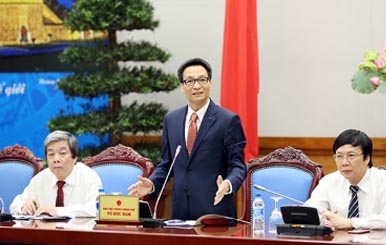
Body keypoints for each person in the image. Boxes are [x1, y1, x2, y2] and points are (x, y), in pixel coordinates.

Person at [128, 58, 247, 220]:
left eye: (202, 80)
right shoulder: (171, 119)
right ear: (182, 87)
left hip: (214, 212)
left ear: (210, 83)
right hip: (180, 213)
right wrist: (152, 183)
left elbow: (238, 166)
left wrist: (228, 184)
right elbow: (166, 164)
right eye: (190, 81)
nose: (197, 86)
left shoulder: (228, 120)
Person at [305, 129, 386, 230]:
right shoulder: (329, 181)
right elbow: (308, 212)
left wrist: (351, 223)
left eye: (351, 156)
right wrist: (323, 217)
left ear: (367, 158)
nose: (344, 162)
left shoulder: (385, 180)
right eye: (339, 156)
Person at [10, 130, 103, 217]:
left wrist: (58, 211)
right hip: (46, 232)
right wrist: (23, 207)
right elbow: (15, 205)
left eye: (62, 153)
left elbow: (97, 209)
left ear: (74, 157)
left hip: (80, 233)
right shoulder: (41, 178)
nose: (56, 159)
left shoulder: (89, 176)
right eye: (51, 154)